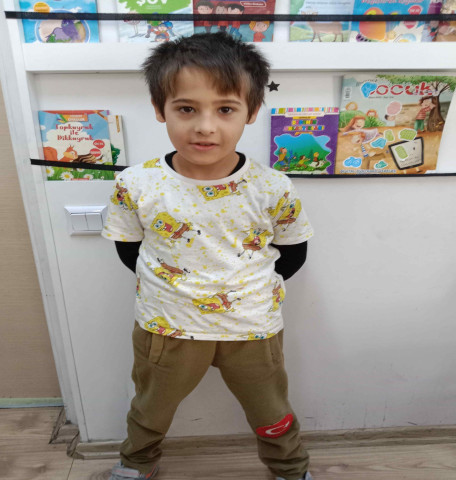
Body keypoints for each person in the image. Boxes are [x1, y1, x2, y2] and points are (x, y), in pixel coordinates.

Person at [102, 32, 314, 480]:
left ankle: (290, 468)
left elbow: (293, 254)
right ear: (160, 108)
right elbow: (128, 249)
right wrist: (175, 288)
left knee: (272, 411)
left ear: (251, 112)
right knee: (150, 408)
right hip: (167, 325)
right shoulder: (135, 183)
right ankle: (137, 463)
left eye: (225, 109)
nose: (204, 127)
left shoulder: (272, 186)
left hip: (252, 326)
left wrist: (245, 289)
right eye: (186, 109)